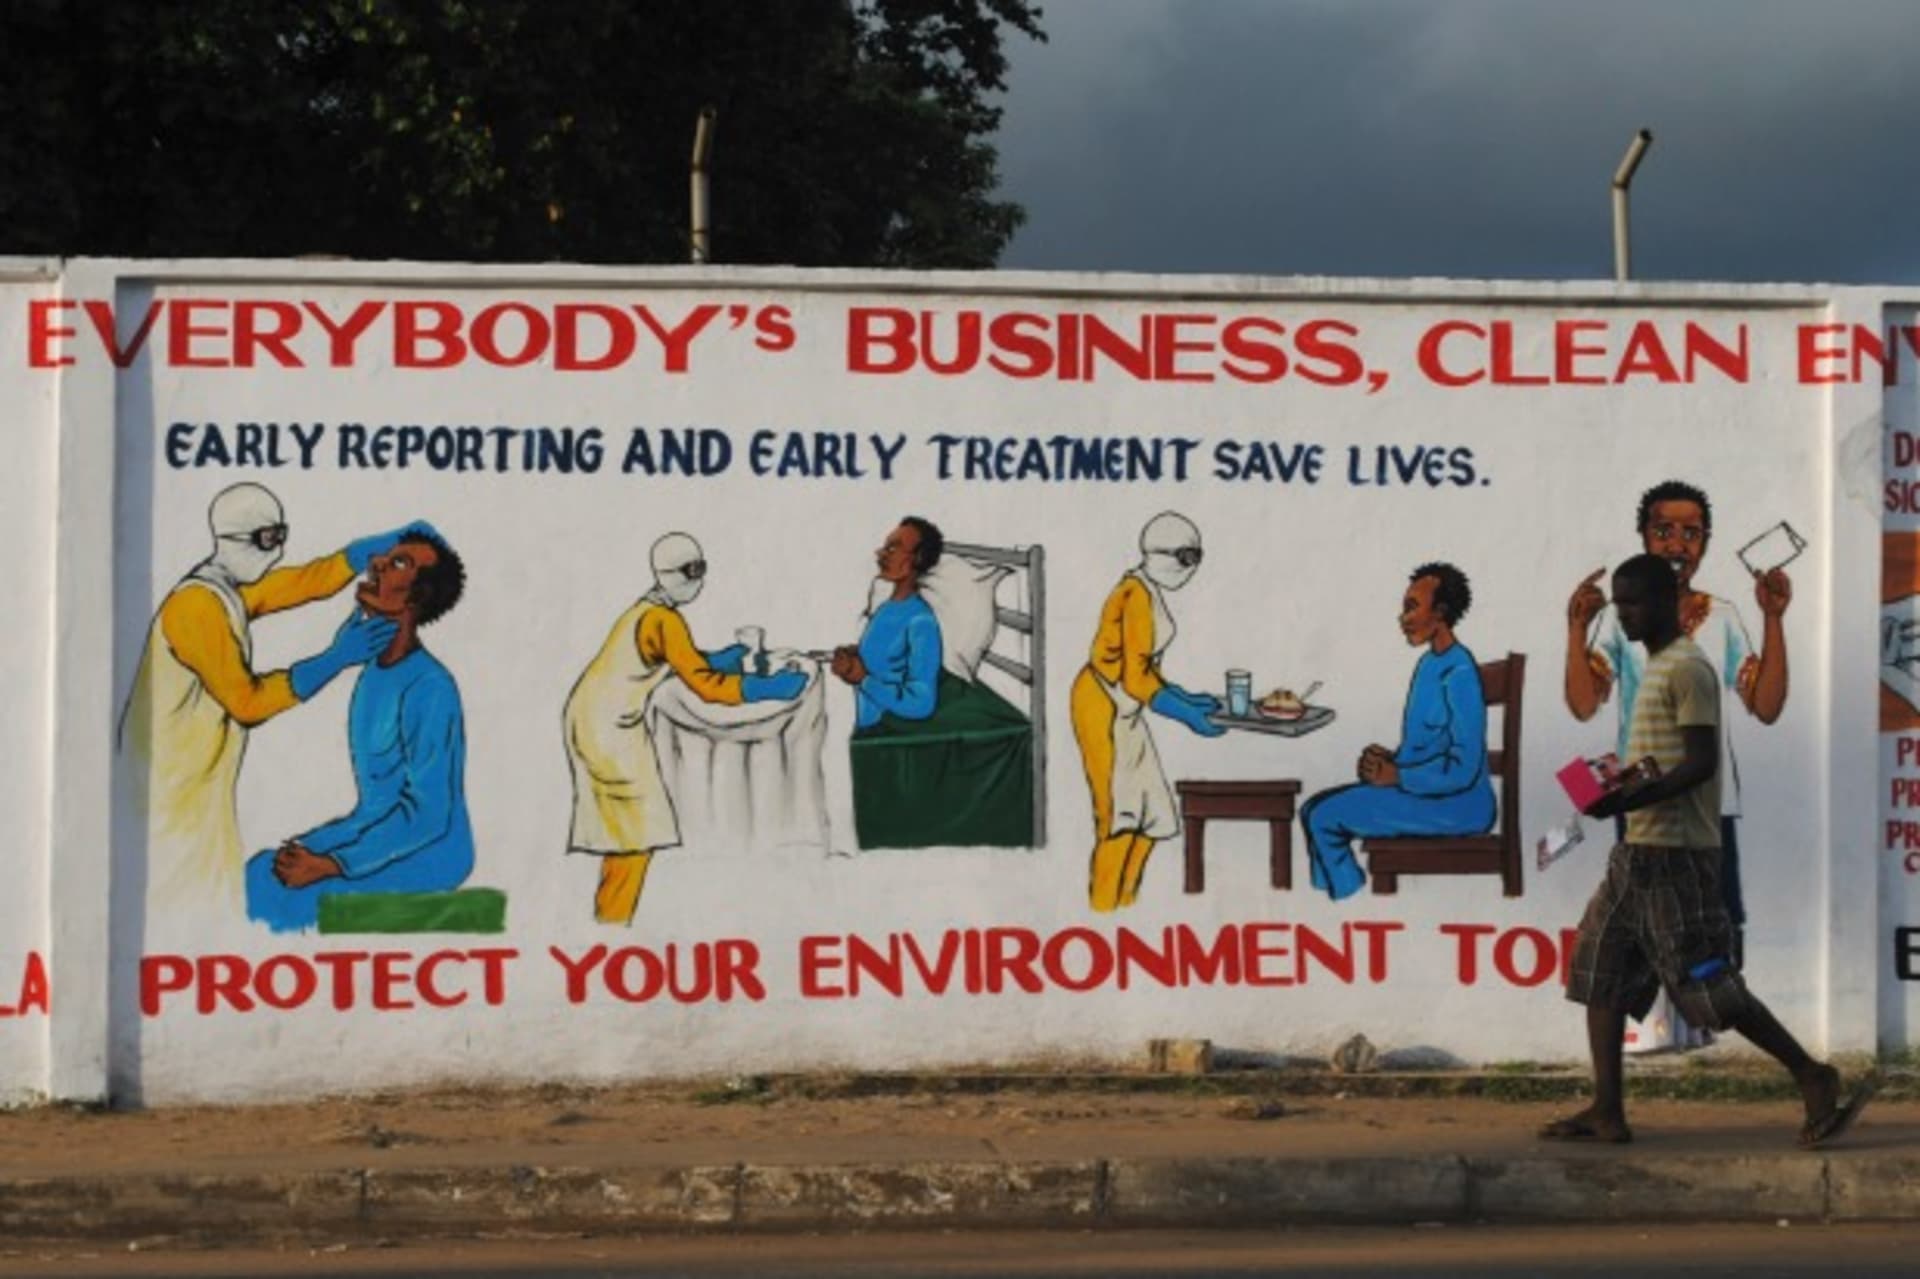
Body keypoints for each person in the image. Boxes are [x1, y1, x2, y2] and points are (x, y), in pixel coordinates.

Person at [1548, 554, 1871, 1148]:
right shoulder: (1656, 668)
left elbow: (1701, 764)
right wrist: (1615, 788)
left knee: (1709, 989)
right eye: (1618, 605)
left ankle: (1812, 1075)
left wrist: (1626, 800)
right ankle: (1607, 1110)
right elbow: (1665, 759)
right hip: (1637, 855)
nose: (1623, 616)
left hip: (1677, 857)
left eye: (1634, 603)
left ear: (1668, 602)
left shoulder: (1689, 670)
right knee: (1600, 973)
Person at [118, 481, 427, 909]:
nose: (276, 550)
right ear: (234, 538)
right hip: (167, 795)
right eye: (267, 540)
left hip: (200, 788)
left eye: (280, 536)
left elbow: (298, 583)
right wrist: (334, 659)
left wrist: (354, 555)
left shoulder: (225, 589)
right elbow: (247, 703)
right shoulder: (194, 607)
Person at [1565, 479, 1791, 970]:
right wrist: (1577, 629)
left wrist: (1773, 618)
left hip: (1707, 803)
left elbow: (1766, 705)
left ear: (1705, 544)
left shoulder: (1723, 618)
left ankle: (1712, 1011)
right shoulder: (1624, 621)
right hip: (1640, 795)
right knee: (1638, 916)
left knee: (1715, 916)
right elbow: (1585, 703)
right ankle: (1660, 1018)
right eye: (1663, 530)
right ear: (1644, 537)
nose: (1677, 544)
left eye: (1691, 534)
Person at [564, 533, 805, 926]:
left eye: (701, 568)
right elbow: (705, 685)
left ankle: (609, 920)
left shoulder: (649, 609)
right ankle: (611, 924)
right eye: (693, 571)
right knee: (634, 836)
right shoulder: (663, 618)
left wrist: (726, 659)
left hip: (594, 718)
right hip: (609, 728)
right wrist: (767, 687)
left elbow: (682, 661)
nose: (699, 579)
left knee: (627, 834)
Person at [245, 533, 475, 933]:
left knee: (287, 901)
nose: (379, 564)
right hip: (374, 830)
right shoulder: (373, 672)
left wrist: (332, 864)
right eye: (385, 557)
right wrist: (317, 849)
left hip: (429, 849)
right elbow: (375, 806)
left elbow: (428, 814)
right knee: (263, 869)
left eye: (399, 563)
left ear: (417, 597)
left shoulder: (430, 687)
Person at [1300, 563, 1496, 902]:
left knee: (1323, 817)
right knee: (1311, 809)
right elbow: (1426, 746)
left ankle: (1347, 902)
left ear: (1441, 612)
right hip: (1426, 795)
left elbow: (1463, 768)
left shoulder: (1460, 672)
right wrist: (1389, 761)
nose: (1402, 618)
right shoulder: (1429, 665)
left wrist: (1398, 776)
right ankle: (1335, 899)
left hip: (1458, 806)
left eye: (1411, 607)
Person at [1071, 512, 1224, 913]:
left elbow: (1146, 670)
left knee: (1152, 817)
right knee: (1117, 820)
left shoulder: (1148, 590)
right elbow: (1135, 678)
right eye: (1186, 557)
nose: (1190, 568)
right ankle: (1103, 908)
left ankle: (1125, 902)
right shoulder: (1134, 594)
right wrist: (1185, 714)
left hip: (1127, 708)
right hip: (1103, 705)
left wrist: (1187, 698)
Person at [832, 517, 945, 729]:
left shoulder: (922, 621)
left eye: (894, 548)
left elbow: (922, 703)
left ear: (918, 559)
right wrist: (855, 654)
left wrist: (862, 678)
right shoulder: (887, 608)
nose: (880, 553)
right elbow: (889, 658)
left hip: (872, 721)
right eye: (886, 546)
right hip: (854, 706)